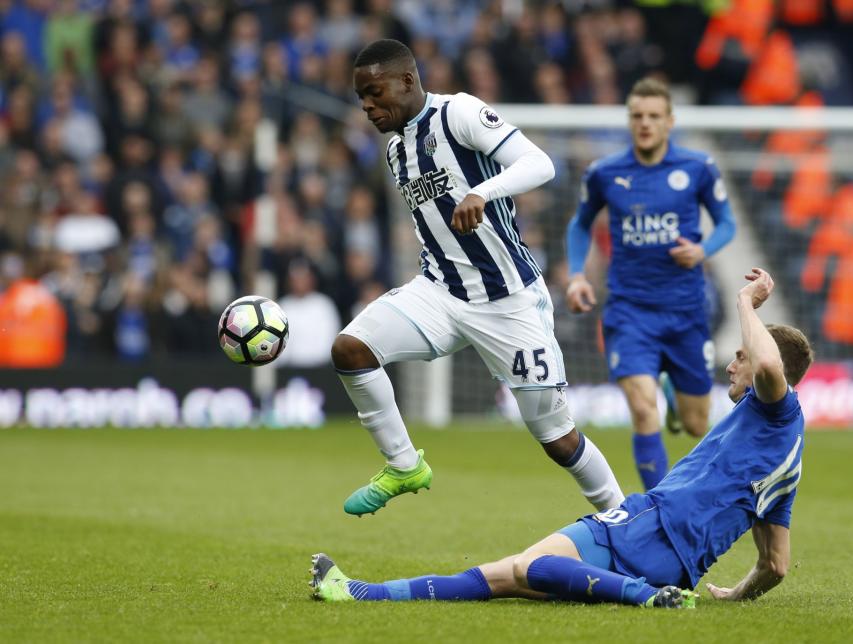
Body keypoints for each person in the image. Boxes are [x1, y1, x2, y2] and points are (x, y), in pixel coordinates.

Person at [310, 268, 813, 609]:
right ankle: (360, 592)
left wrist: (747, 301)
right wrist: (732, 597)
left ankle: (645, 596)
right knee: (507, 572)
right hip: (639, 518)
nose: (732, 362)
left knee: (532, 569)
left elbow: (767, 361)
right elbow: (776, 564)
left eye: (739, 357)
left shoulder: (778, 410)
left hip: (662, 543)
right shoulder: (780, 447)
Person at [330, 39, 624, 517]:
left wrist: (482, 193)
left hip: (509, 300)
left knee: (557, 439)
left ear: (407, 80)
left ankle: (623, 517)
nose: (366, 105)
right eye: (360, 96)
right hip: (441, 291)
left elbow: (539, 164)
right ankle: (404, 465)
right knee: (351, 349)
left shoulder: (460, 113)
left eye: (374, 92)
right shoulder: (395, 153)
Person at [565, 77, 737, 491]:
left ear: (670, 121)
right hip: (629, 311)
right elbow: (580, 223)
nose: (645, 123)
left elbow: (727, 223)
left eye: (654, 116)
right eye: (637, 116)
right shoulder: (605, 173)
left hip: (685, 310)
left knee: (696, 425)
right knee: (644, 412)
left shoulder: (697, 168)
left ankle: (674, 394)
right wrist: (576, 275)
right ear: (629, 121)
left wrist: (702, 250)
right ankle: (657, 511)